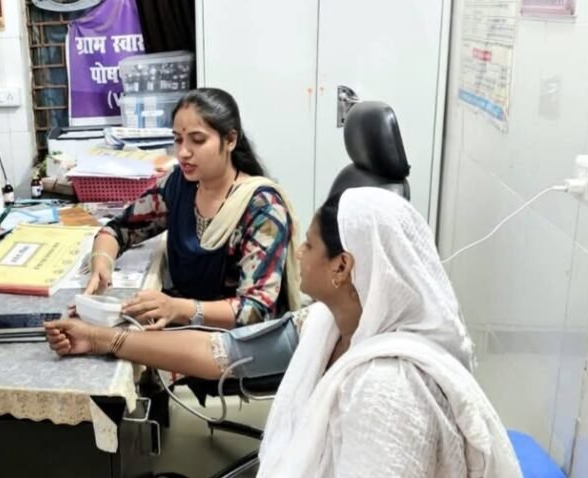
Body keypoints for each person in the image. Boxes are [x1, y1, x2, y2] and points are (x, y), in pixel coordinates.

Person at [47, 188, 522, 476]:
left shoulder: (389, 391)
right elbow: (220, 351)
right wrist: (100, 338)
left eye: (308, 245)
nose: (298, 254)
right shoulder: (325, 324)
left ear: (342, 267)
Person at [86, 88, 301, 330]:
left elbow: (254, 311)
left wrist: (179, 309)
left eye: (197, 140)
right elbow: (118, 230)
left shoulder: (262, 207)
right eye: (178, 139)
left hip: (233, 340)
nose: (183, 153)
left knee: (110, 340)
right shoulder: (178, 184)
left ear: (230, 140)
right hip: (183, 325)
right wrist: (102, 264)